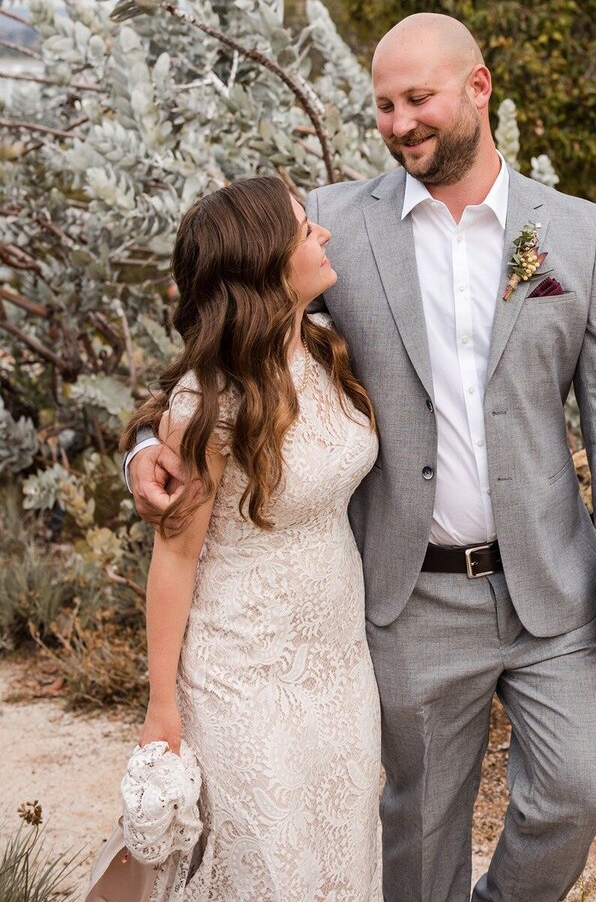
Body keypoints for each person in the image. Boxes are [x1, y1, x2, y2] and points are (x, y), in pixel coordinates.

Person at [128, 13, 596, 902]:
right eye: (383, 105)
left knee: (578, 790)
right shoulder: (331, 226)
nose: (400, 122)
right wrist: (147, 442)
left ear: (478, 88)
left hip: (558, 588)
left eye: (419, 99)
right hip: (410, 595)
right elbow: (231, 342)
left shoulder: (574, 233)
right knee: (417, 826)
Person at [122, 175, 382, 901]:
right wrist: (162, 706)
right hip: (241, 669)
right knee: (267, 866)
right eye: (305, 232)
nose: (323, 235)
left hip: (338, 664)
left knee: (342, 852)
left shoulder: (329, 353)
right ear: (265, 264)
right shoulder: (208, 404)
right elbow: (172, 559)